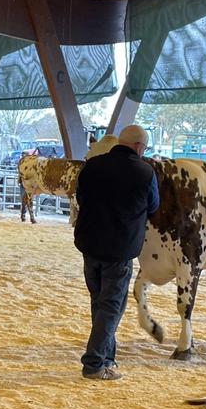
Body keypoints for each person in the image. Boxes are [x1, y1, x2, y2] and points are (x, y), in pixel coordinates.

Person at [74, 124, 159, 381]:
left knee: (99, 302)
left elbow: (80, 197)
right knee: (111, 306)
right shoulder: (145, 172)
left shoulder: (92, 165)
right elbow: (153, 205)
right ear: (138, 146)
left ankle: (107, 357)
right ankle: (94, 363)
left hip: (89, 244)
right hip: (119, 249)